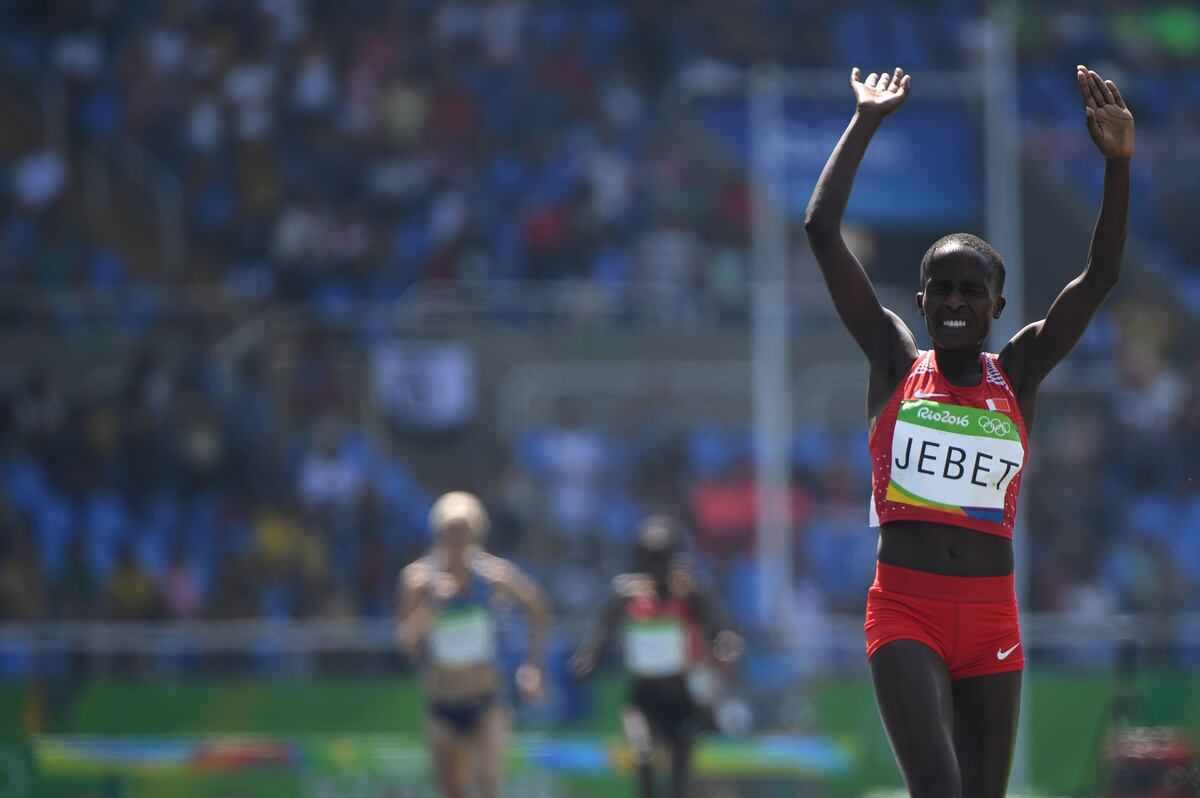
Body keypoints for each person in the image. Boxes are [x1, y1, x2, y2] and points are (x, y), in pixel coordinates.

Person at [804, 65, 1133, 797]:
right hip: (906, 611)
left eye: (972, 291)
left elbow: (1101, 277)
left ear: (997, 307)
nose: (956, 301)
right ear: (922, 302)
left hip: (992, 619)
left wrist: (1118, 166)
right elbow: (821, 231)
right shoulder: (893, 359)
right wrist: (864, 120)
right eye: (942, 289)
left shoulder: (1019, 373)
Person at [569, 515, 743, 798]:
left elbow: (718, 627)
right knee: (643, 754)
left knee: (680, 776)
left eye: (661, 562)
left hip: (683, 700)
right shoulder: (625, 594)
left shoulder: (691, 592)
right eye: (649, 562)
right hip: (643, 700)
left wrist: (725, 644)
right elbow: (601, 631)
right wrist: (589, 657)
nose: (655, 572)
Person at [397, 491, 551, 798]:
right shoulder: (418, 580)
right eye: (450, 530)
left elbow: (538, 608)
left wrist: (533, 666)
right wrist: (431, 607)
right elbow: (407, 644)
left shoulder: (494, 576)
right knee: (452, 791)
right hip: (442, 702)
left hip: (485, 699)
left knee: (487, 781)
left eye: (464, 529)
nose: (457, 538)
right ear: (438, 532)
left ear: (476, 532)